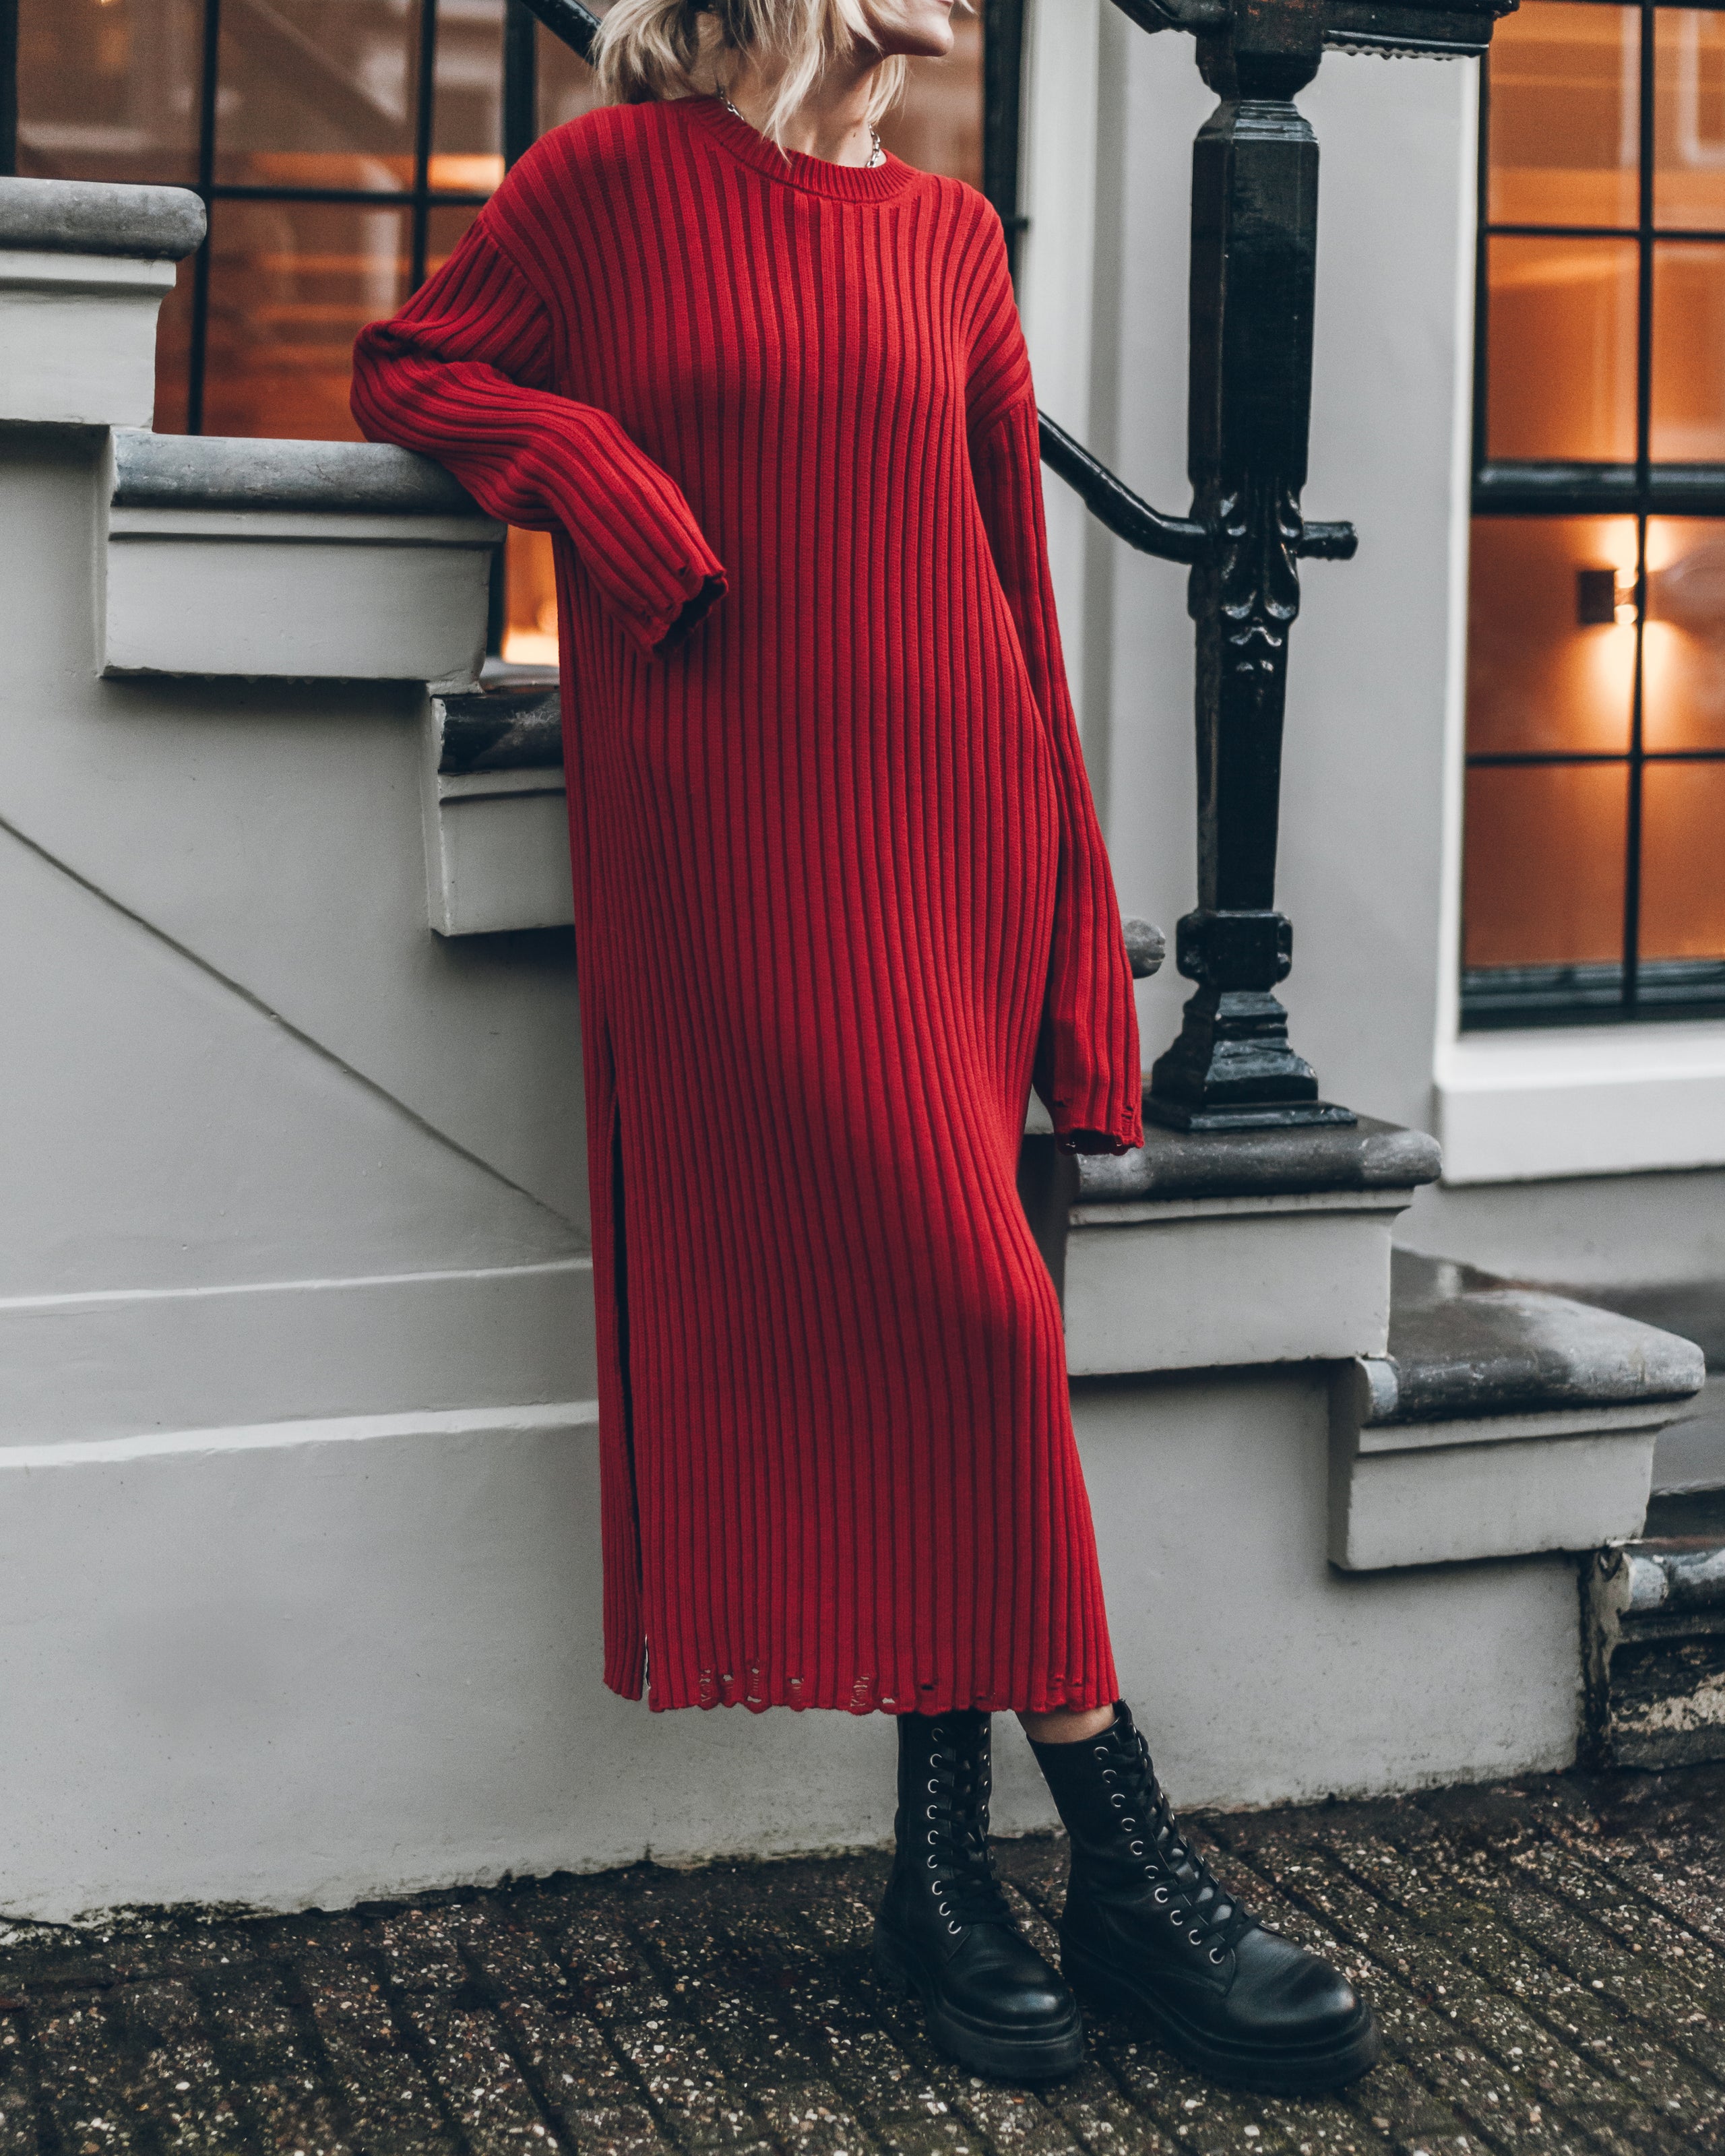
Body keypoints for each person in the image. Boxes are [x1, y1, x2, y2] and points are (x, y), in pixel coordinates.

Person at [350, 0, 1379, 2096]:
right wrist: (593, 480)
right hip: (739, 853)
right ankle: (1123, 1851)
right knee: (972, 1317)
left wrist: (1078, 934)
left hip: (955, 834)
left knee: (950, 1331)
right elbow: (412, 363)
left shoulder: (946, 236)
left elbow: (1013, 574)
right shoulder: (604, 185)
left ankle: (941, 1882)